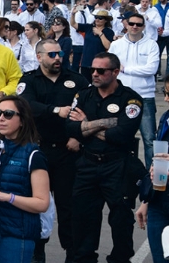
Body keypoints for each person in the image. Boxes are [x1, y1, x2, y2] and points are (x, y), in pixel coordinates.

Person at [67, 52, 145, 263]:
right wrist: (105, 124)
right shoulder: (84, 95)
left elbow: (122, 134)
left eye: (101, 71)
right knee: (83, 218)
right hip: (88, 163)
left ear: (115, 72)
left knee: (121, 220)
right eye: (92, 69)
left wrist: (87, 124)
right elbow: (71, 128)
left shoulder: (130, 99)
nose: (95, 74)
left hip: (117, 165)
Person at [16, 39, 86, 262]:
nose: (58, 59)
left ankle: (72, 253)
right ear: (39, 57)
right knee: (37, 205)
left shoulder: (76, 80)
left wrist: (77, 136)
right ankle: (37, 252)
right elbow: (26, 106)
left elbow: (89, 108)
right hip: (40, 151)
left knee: (69, 207)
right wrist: (55, 110)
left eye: (60, 54)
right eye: (52, 55)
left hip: (68, 152)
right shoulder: (29, 81)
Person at [0, 97, 51, 263]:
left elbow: (42, 203)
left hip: (17, 234)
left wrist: (7, 197)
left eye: (8, 114)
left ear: (22, 120)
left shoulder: (33, 155)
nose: (1, 118)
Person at [108, 11, 160, 168]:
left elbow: (151, 69)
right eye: (131, 24)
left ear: (144, 26)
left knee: (149, 139)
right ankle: (118, 171)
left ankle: (152, 175)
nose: (135, 27)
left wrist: (125, 69)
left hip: (145, 95)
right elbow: (109, 67)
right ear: (126, 25)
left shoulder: (152, 44)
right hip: (121, 95)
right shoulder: (116, 45)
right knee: (117, 136)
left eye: (138, 24)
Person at [135, 77, 169, 263]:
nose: (166, 99)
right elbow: (159, 163)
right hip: (159, 201)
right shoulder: (166, 118)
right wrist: (147, 199)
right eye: (165, 93)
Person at [69, 8, 114, 82]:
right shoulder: (89, 27)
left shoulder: (108, 32)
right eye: (96, 17)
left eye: (100, 18)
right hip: (85, 62)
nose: (97, 19)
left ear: (106, 20)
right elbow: (73, 24)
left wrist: (100, 33)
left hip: (99, 63)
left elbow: (108, 46)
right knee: (85, 83)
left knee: (98, 83)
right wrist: (73, 14)